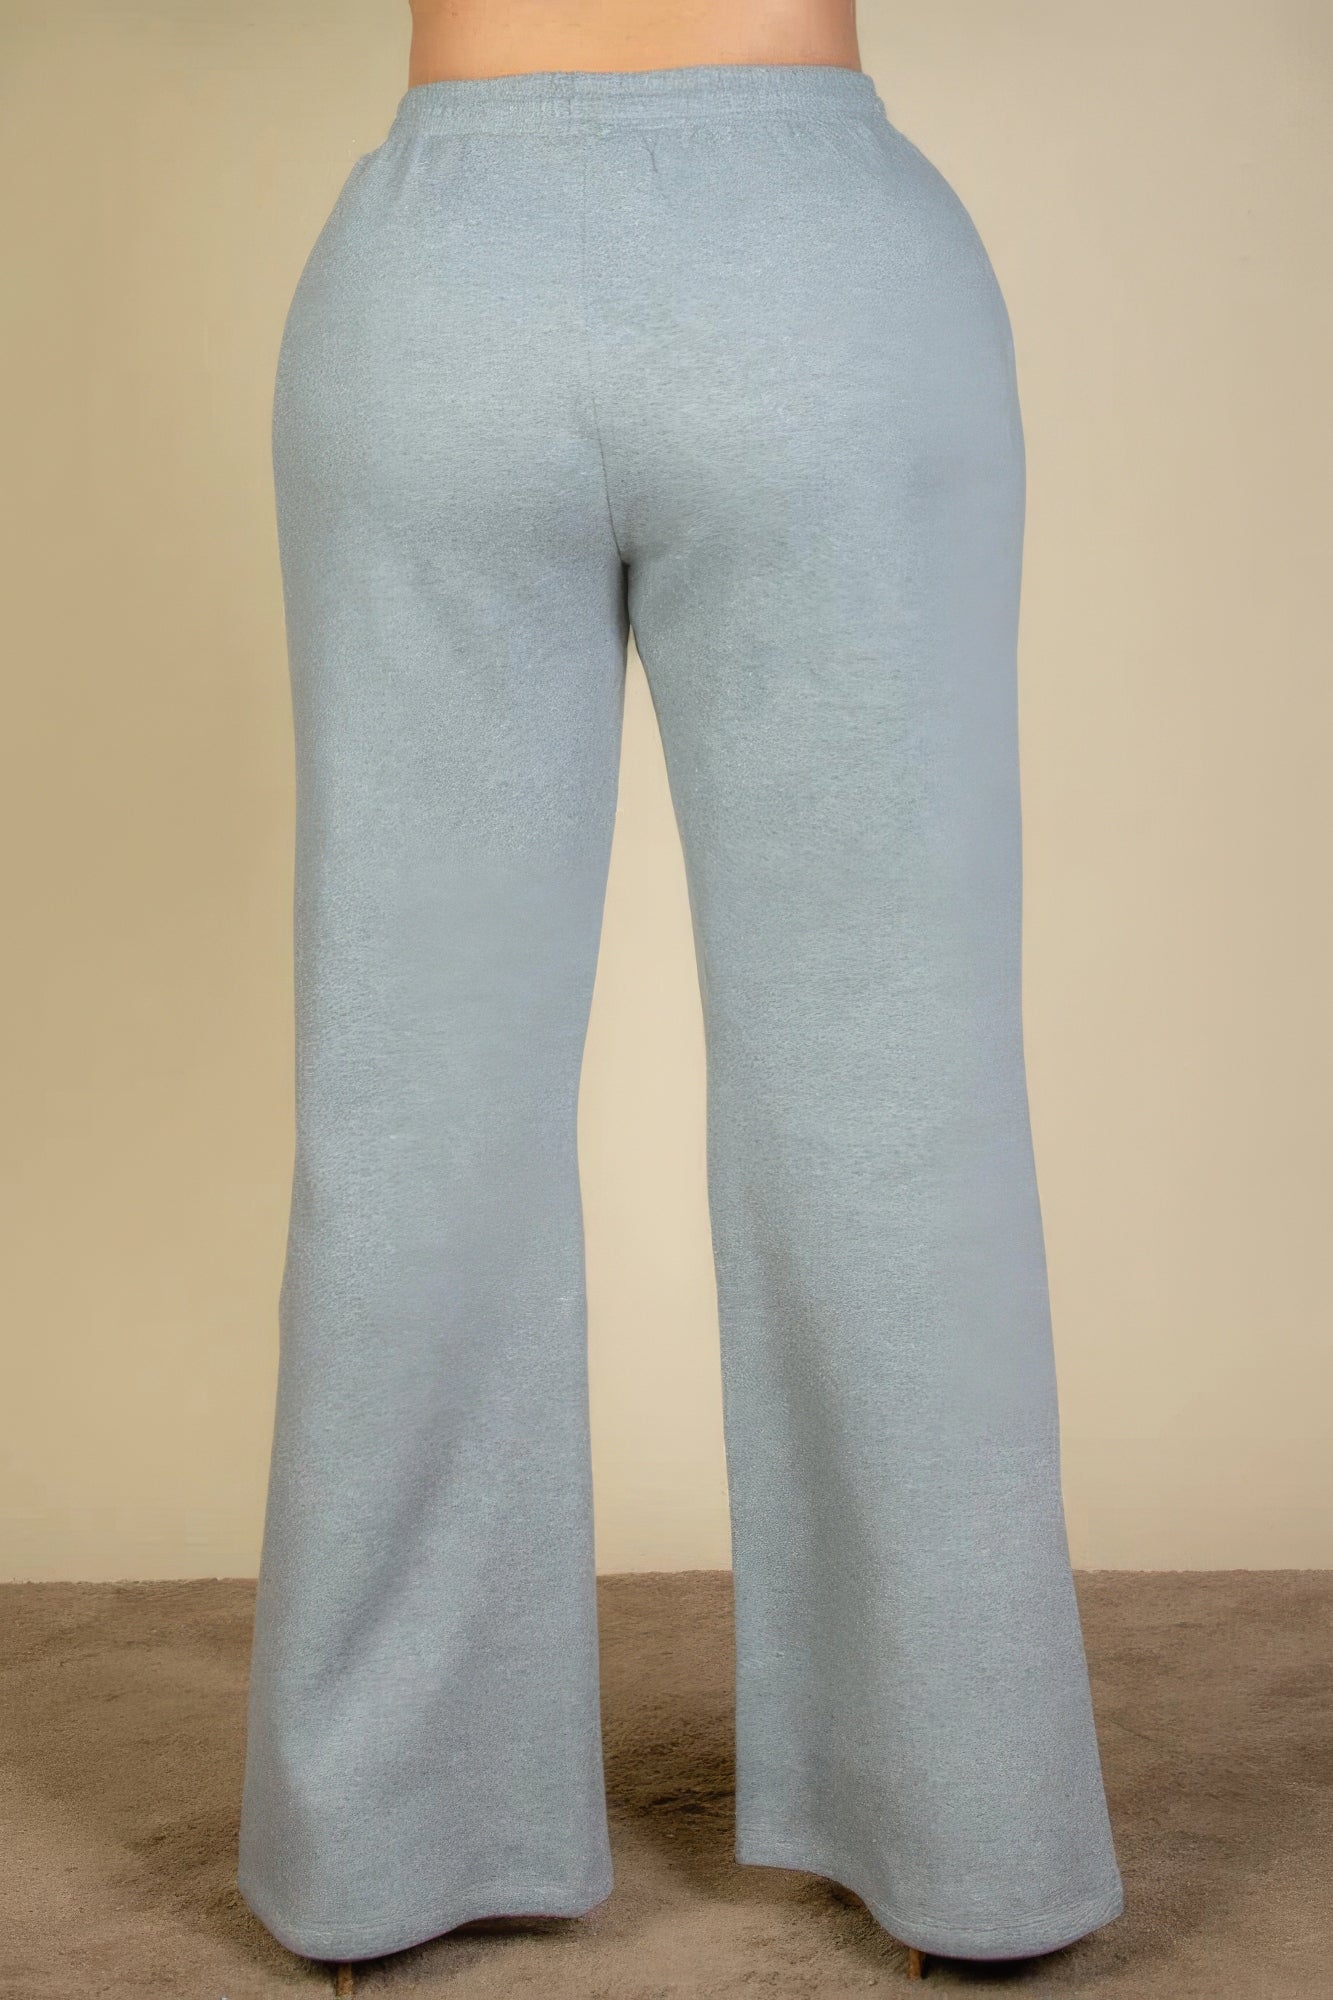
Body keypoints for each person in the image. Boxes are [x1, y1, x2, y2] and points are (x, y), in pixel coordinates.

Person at [237, 0, 1127, 1972]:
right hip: (826, 279)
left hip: (439, 284)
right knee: (893, 1109)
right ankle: (970, 1833)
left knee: (410, 1113)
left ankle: (383, 1839)